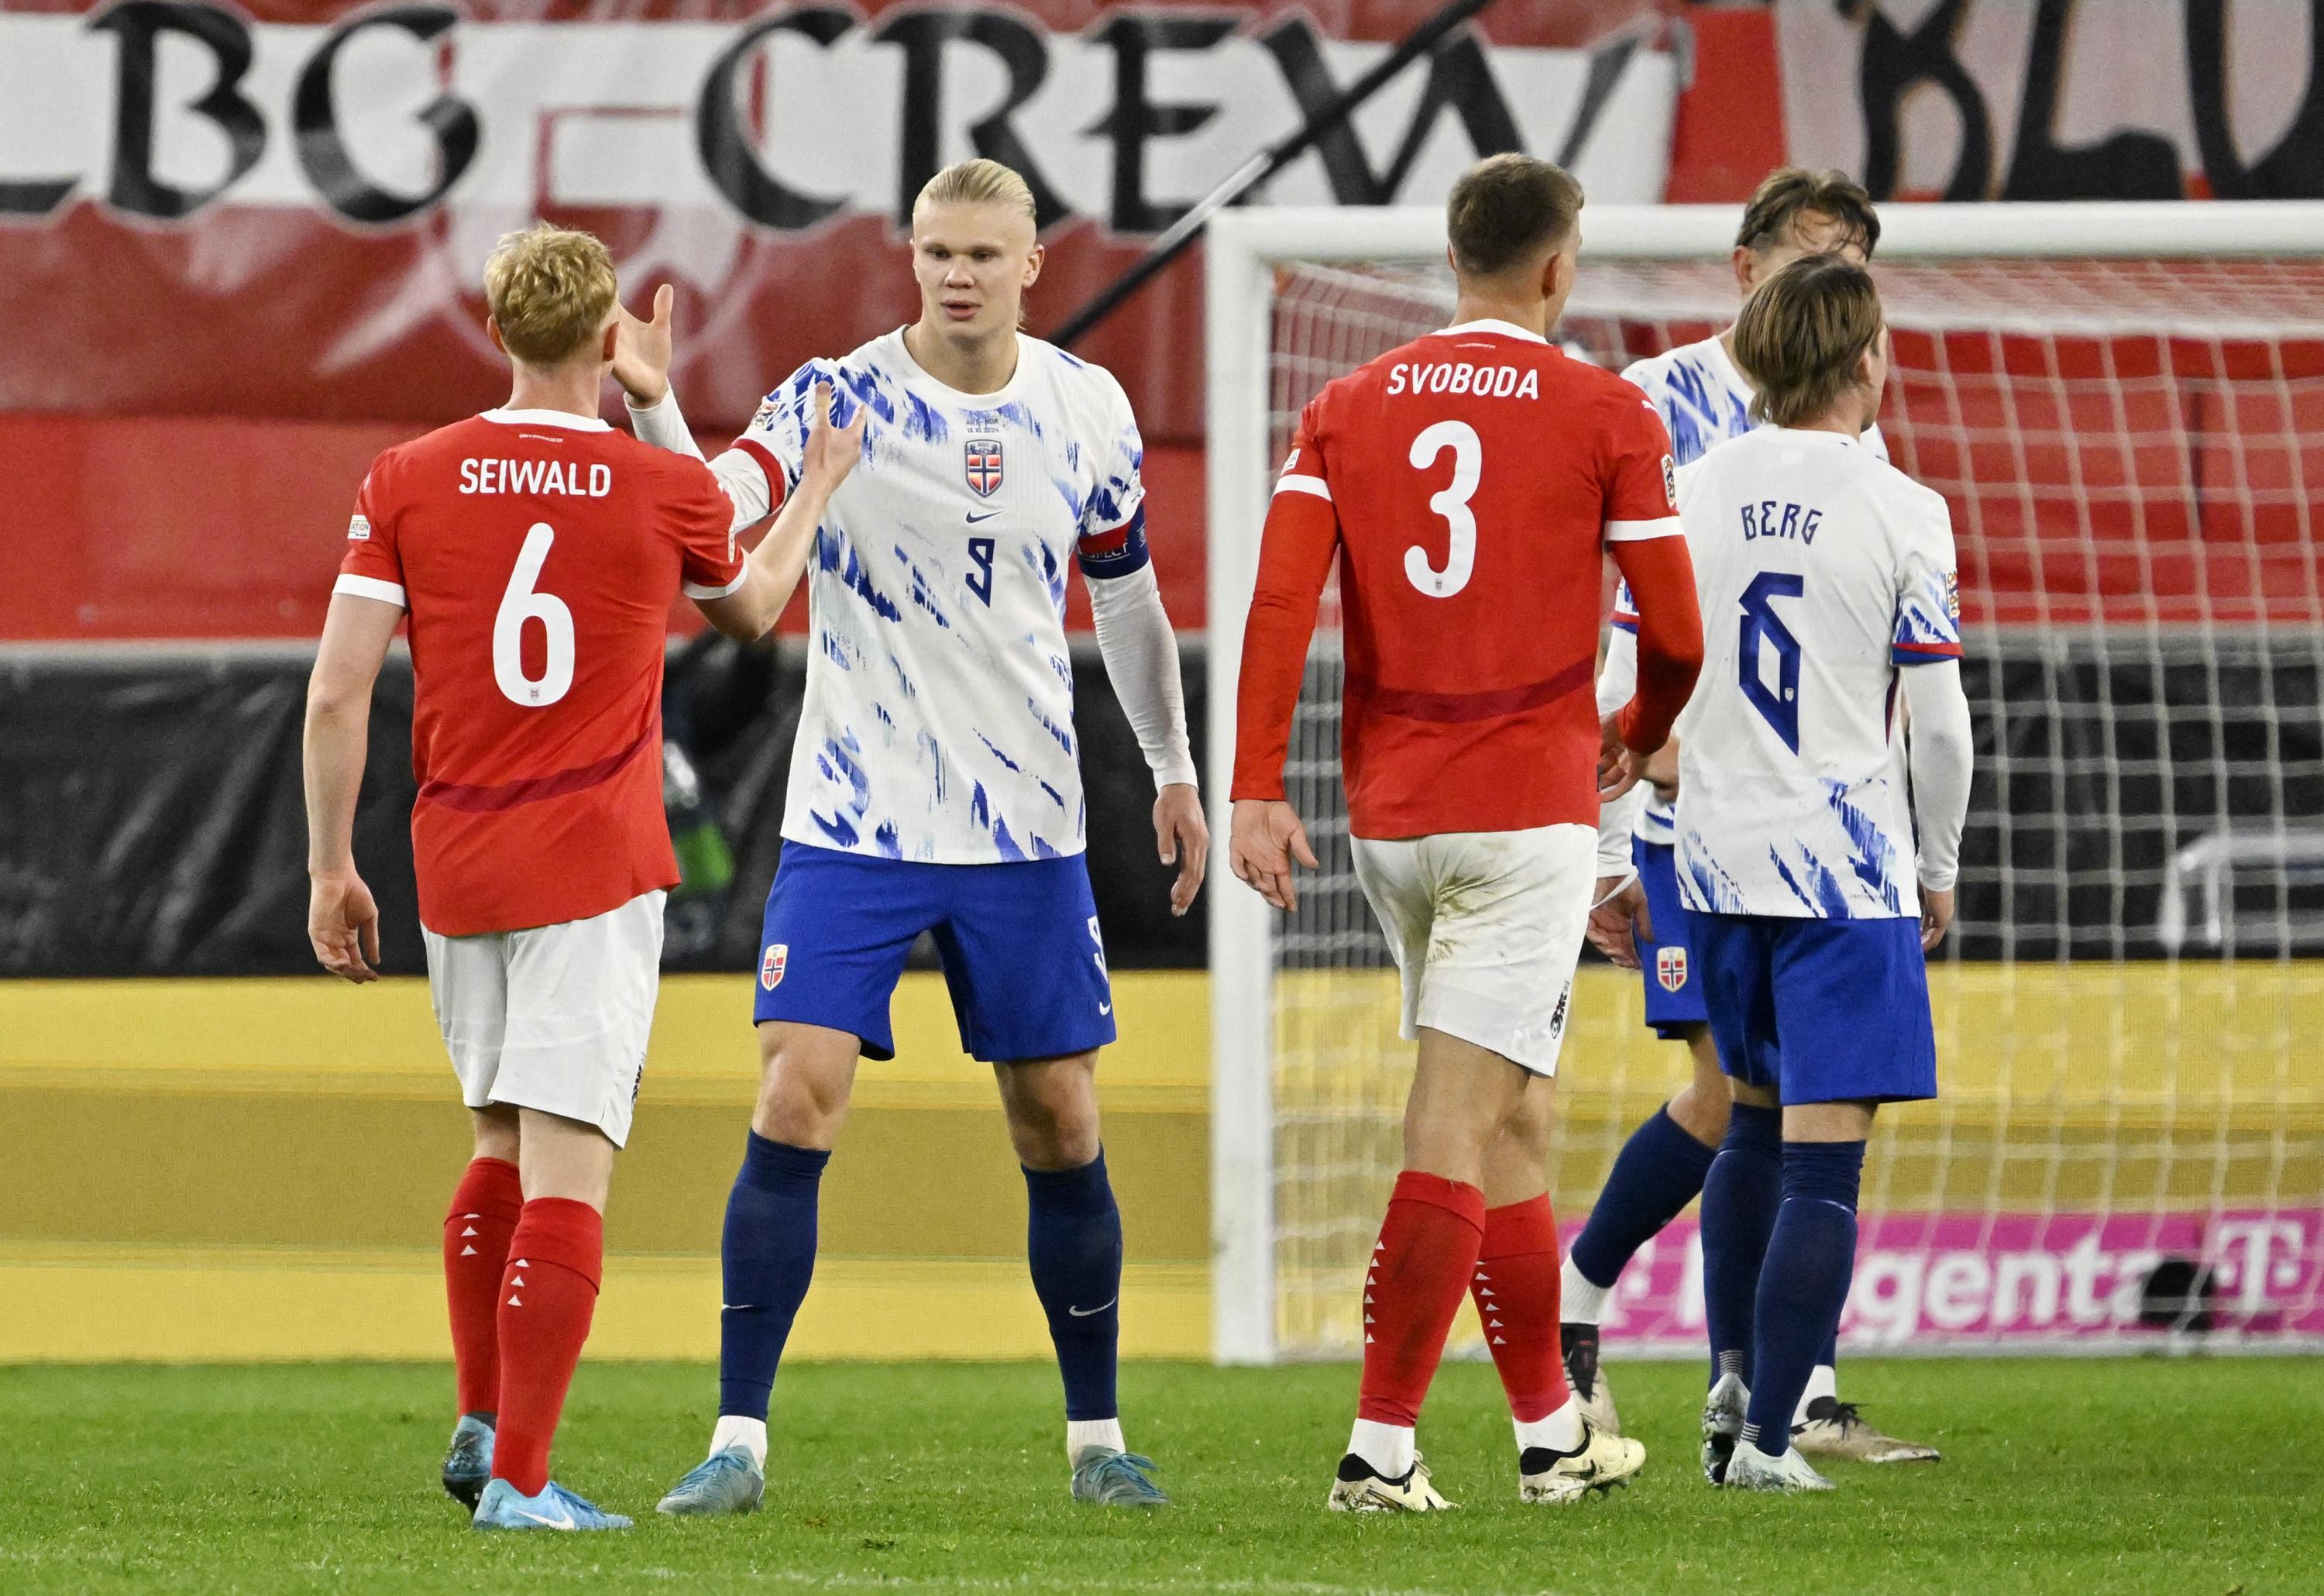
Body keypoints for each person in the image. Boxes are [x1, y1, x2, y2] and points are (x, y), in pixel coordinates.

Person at [617, 158, 1205, 1515]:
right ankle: (736, 1444)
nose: (955, 274)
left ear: (1033, 265)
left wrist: (1171, 768)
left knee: (1058, 1120)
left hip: (1026, 828)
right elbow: (714, 520)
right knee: (793, 1090)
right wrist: (656, 407)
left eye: (983, 256)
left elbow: (1123, 600)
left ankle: (1098, 1441)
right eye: (936, 251)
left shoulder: (1087, 409)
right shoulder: (838, 391)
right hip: (857, 814)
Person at [302, 223, 861, 1532]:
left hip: (457, 857)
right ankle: (523, 1481)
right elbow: (752, 599)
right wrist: (819, 485)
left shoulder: (405, 476)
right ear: (610, 339)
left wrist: (332, 865)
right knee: (570, 1168)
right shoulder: (650, 486)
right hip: (593, 861)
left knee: (496, 1135)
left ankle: (481, 1417)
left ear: (494, 330)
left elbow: (337, 691)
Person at [1230, 153, 1703, 1512]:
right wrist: (1641, 718)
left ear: (1452, 258)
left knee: (1517, 1116)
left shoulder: (1346, 406)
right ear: (1560, 267)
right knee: (1453, 1120)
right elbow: (1676, 632)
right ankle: (1378, 1452)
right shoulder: (1606, 411)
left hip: (1395, 819)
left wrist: (1261, 782)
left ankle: (1551, 1431)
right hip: (1526, 816)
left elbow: (1277, 606)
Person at [1563, 167, 1941, 1469]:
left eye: (1854, 260)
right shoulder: (1658, 406)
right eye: (1813, 256)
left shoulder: (1855, 444)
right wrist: (1608, 846)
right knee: (1751, 1101)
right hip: (1696, 820)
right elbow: (1613, 630)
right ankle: (1677, 1348)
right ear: (1746, 266)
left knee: (1750, 1103)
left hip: (1779, 811)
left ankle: (1761, 1387)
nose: (1835, 282)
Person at [1659, 253, 1973, 1491]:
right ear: (1864, 361)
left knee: (1746, 1122)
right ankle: (1774, 1440)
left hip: (1717, 857)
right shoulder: (1902, 504)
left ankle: (1735, 1375)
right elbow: (1939, 727)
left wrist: (1635, 833)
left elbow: (1634, 694)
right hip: (1843, 867)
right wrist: (1935, 863)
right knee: (1826, 1162)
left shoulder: (1690, 485)